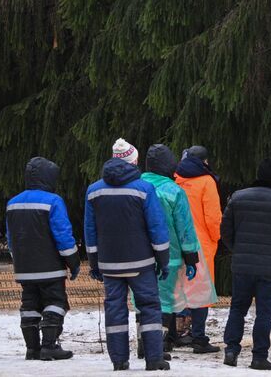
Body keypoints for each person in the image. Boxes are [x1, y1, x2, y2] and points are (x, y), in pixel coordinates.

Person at [85, 140, 172, 372]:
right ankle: (154, 359)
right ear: (133, 161)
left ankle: (119, 360)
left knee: (115, 308)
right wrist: (163, 260)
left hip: (109, 263)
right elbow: (156, 227)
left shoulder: (94, 191)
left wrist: (94, 263)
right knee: (150, 307)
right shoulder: (144, 189)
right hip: (141, 263)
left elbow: (90, 231)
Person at [220, 158, 271, 370]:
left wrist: (237, 250)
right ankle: (259, 356)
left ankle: (231, 349)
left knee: (238, 307)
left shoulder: (238, 198)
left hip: (243, 264)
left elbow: (226, 231)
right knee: (264, 312)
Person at [6, 156, 80, 361]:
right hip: (51, 267)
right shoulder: (53, 201)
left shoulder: (13, 203)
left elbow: (10, 238)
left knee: (29, 304)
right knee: (56, 303)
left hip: (24, 267)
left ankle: (32, 348)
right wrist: (73, 263)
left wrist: (17, 258)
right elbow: (63, 236)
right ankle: (49, 346)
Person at [142, 145, 202, 356]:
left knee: (143, 299)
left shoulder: (137, 186)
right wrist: (191, 257)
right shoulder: (174, 191)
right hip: (170, 256)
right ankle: (160, 344)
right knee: (165, 300)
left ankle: (143, 342)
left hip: (139, 256)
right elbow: (184, 227)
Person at [173, 145, 221, 352]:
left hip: (177, 244)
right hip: (201, 244)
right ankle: (199, 338)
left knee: (178, 288)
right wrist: (216, 238)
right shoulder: (206, 181)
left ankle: (174, 334)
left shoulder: (175, 180)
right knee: (201, 292)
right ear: (205, 161)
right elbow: (212, 217)